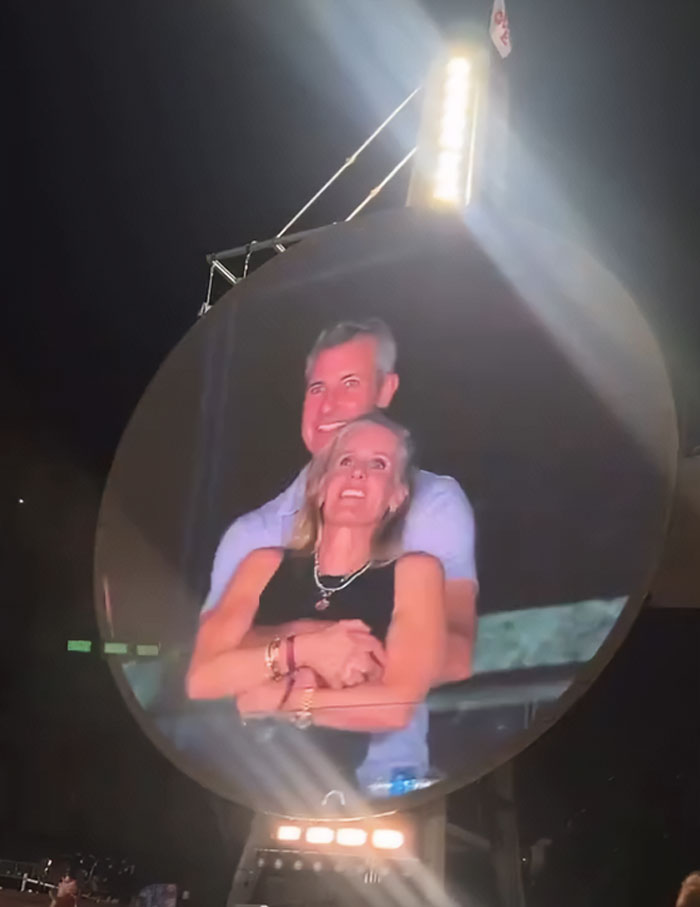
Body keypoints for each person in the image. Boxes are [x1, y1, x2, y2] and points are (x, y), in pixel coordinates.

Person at [201, 318, 477, 683]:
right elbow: (206, 660)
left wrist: (302, 658)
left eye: (350, 384)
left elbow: (456, 653)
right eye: (317, 388)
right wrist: (313, 642)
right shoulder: (251, 533)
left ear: (385, 389)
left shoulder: (432, 502)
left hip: (382, 737)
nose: (328, 406)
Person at [187, 414, 446, 783]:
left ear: (397, 495)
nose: (358, 472)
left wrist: (279, 699)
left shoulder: (415, 573)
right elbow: (203, 679)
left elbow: (395, 706)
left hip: (328, 794)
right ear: (321, 485)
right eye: (345, 461)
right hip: (227, 775)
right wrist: (306, 649)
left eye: (378, 464)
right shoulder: (262, 563)